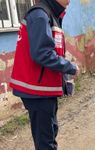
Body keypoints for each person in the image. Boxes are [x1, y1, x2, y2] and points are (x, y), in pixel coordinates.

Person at [9, 0, 78, 149]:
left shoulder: (50, 14)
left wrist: (64, 81)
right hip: (36, 89)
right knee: (45, 141)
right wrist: (70, 67)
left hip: (43, 88)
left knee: (50, 132)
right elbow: (42, 53)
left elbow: (51, 51)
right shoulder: (40, 15)